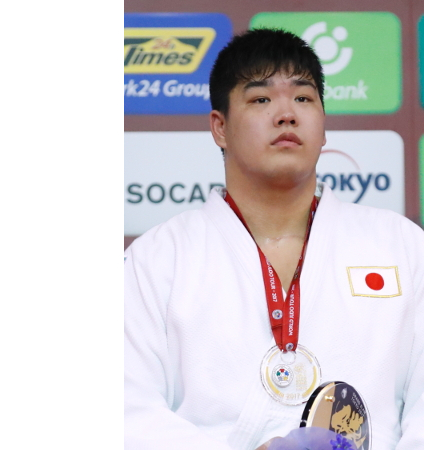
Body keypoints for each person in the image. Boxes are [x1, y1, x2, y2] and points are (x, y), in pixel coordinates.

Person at [124, 28, 423, 450]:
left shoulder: (402, 247)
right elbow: (126, 410)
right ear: (220, 127)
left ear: (323, 127)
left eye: (303, 98)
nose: (287, 114)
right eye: (261, 99)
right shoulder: (159, 258)